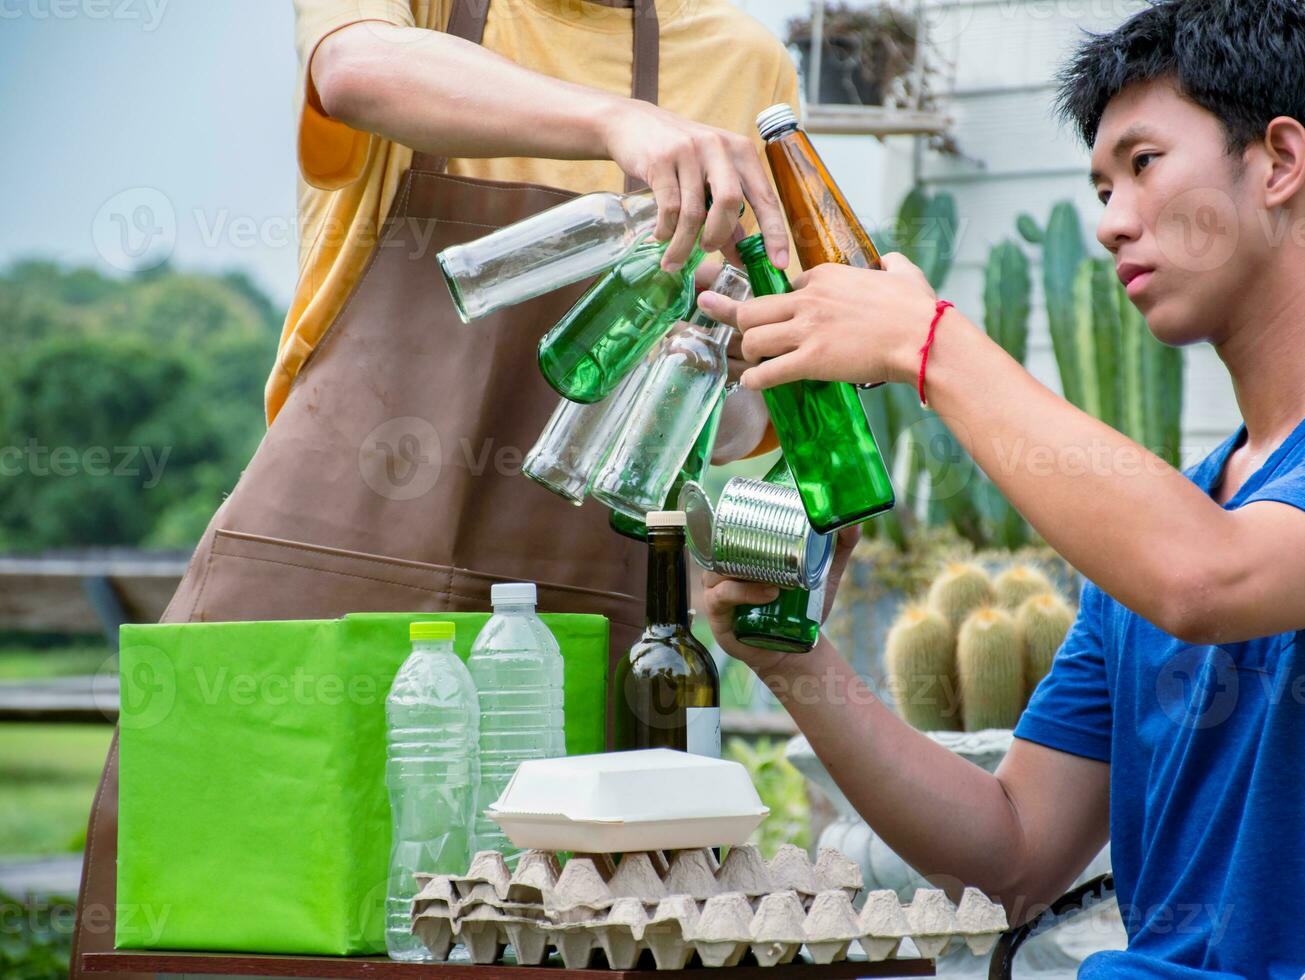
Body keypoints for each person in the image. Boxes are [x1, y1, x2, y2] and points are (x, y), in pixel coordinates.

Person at [697, 1, 1305, 976]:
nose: (1110, 223)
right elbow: (1014, 854)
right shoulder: (1166, 527)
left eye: (1144, 163)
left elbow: (1209, 579)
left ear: (1280, 162)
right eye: (1101, 184)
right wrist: (795, 658)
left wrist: (928, 341)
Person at [71, 0, 793, 975]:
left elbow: (758, 416)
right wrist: (617, 120)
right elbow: (355, 70)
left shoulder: (742, 60)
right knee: (225, 924)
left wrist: (716, 351)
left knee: (558, 937)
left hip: (579, 614)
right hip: (318, 570)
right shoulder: (414, 14)